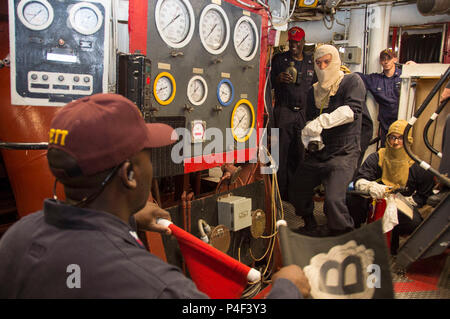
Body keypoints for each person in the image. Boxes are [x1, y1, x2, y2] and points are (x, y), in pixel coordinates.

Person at [0, 93, 311, 298]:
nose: (152, 164)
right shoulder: (153, 284)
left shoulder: (17, 238)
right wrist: (286, 288)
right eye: (147, 155)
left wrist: (128, 216)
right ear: (130, 175)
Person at [288, 44, 365, 237]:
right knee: (297, 189)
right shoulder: (313, 91)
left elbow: (351, 111)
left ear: (336, 62)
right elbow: (310, 121)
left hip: (344, 152)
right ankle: (310, 223)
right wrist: (312, 138)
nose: (322, 67)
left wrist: (322, 121)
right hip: (320, 152)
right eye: (318, 63)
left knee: (333, 199)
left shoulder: (351, 81)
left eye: (327, 62)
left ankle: (344, 235)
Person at [350, 120, 434, 254]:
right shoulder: (377, 157)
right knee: (351, 200)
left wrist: (408, 202)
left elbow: (426, 194)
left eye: (400, 138)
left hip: (401, 206)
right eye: (392, 137)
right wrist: (370, 186)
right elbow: (360, 179)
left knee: (415, 223)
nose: (395, 142)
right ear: (387, 138)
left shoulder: (417, 166)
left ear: (408, 140)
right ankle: (354, 235)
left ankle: (393, 240)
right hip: (374, 202)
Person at [270, 26, 316, 200]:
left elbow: (317, 89)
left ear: (303, 42)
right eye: (291, 42)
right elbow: (268, 85)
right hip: (284, 111)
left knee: (300, 155)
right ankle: (278, 195)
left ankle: (295, 195)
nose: (293, 46)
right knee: (279, 153)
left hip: (303, 114)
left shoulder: (311, 62)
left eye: (297, 43)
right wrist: (278, 79)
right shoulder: (279, 60)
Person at [357, 49, 415, 146]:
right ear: (380, 62)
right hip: (386, 127)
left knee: (403, 152)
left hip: (404, 125)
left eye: (389, 58)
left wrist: (415, 68)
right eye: (383, 59)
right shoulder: (375, 80)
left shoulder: (405, 76)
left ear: (395, 59)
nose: (386, 61)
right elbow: (357, 76)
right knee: (385, 152)